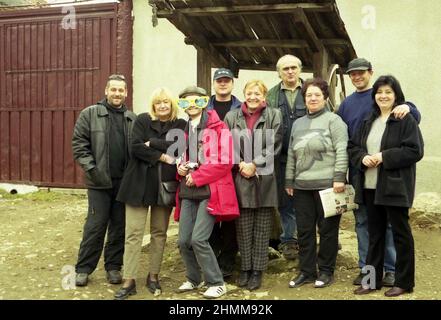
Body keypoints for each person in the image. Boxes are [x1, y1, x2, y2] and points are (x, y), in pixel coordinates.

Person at [337, 58, 421, 286]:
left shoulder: (404, 118)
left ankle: (400, 280)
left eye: (388, 92)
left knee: (399, 234)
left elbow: (415, 150)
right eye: (380, 93)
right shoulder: (368, 119)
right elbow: (352, 145)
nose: (383, 96)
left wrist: (384, 157)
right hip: (368, 184)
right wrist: (362, 158)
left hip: (393, 186)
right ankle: (371, 279)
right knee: (373, 234)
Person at [113, 88, 186, 299]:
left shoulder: (179, 124)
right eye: (158, 102)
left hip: (163, 186)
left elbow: (178, 148)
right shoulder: (143, 120)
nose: (162, 106)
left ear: (172, 105)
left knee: (159, 233)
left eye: (166, 102)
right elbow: (135, 147)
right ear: (153, 105)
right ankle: (129, 279)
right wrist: (164, 157)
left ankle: (153, 276)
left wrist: (152, 143)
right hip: (137, 184)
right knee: (133, 233)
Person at [175, 86, 239, 299]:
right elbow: (183, 157)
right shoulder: (185, 130)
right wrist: (181, 168)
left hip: (210, 191)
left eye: (197, 101)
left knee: (199, 239)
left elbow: (225, 161)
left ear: (204, 103)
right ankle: (194, 278)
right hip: (188, 190)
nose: (192, 106)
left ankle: (216, 282)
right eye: (186, 102)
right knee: (183, 240)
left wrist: (199, 175)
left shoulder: (219, 128)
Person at [72, 74, 137, 286]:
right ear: (106, 91)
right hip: (99, 182)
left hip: (124, 184)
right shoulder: (90, 114)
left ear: (126, 93)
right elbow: (79, 144)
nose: (117, 93)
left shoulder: (131, 118)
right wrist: (91, 169)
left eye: (121, 90)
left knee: (119, 227)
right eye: (114, 90)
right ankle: (83, 269)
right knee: (95, 226)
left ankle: (113, 267)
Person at [285, 78, 348, 289]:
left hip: (329, 186)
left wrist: (339, 177)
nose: (312, 98)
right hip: (302, 186)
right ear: (304, 99)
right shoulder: (297, 123)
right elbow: (292, 154)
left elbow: (341, 150)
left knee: (328, 230)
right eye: (309, 95)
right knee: (304, 231)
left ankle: (327, 271)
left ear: (325, 98)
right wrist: (289, 179)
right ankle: (307, 271)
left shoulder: (334, 121)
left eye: (317, 95)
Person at [224, 80, 282, 291]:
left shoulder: (274, 115)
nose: (253, 97)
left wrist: (254, 164)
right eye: (250, 93)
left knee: (262, 228)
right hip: (240, 176)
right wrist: (241, 164)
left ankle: (258, 271)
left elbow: (275, 144)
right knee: (244, 228)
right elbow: (226, 144)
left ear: (264, 95)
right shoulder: (232, 116)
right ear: (244, 94)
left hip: (264, 177)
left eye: (258, 93)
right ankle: (246, 269)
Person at [266, 54, 306, 260]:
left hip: (309, 158)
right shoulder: (271, 96)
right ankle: (289, 240)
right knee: (286, 200)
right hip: (280, 157)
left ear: (300, 69)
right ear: (279, 72)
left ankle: (309, 239)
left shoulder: (312, 91)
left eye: (293, 67)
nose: (290, 71)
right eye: (285, 69)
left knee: (311, 198)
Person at [206, 68, 242, 279]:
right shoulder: (203, 107)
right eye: (219, 80)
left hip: (232, 169)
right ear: (214, 83)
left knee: (229, 218)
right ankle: (212, 260)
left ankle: (227, 262)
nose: (223, 84)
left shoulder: (240, 108)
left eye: (226, 80)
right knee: (209, 216)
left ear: (232, 83)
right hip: (209, 170)